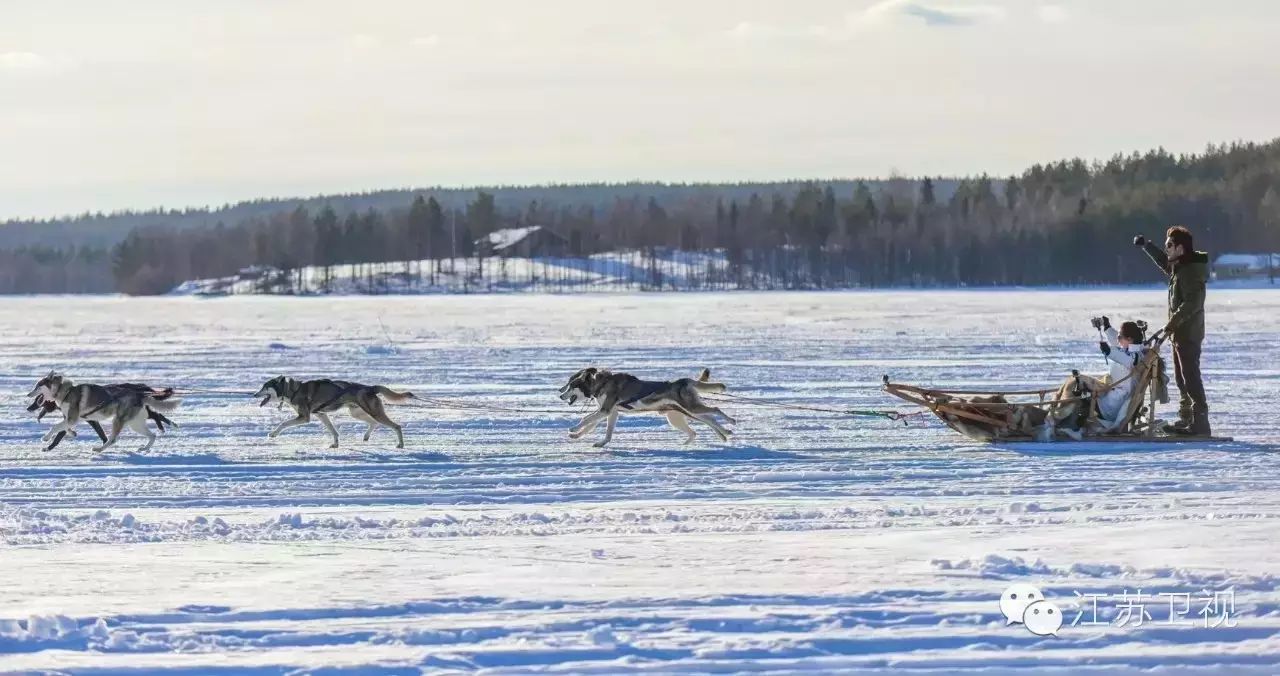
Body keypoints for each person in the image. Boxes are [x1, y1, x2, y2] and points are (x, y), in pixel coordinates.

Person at [1133, 226, 1210, 436]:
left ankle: (1200, 422)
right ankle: (1187, 419)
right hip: (1180, 332)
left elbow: (1193, 303)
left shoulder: (1190, 272)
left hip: (1189, 333)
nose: (1166, 249)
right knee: (1181, 377)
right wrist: (1147, 246)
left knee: (1190, 376)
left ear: (1180, 249)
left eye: (1169, 245)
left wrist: (1172, 323)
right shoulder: (1180, 267)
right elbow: (1163, 262)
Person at [1091, 316, 1148, 428]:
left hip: (1114, 403)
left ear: (1130, 339)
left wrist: (1108, 351)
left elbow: (1122, 357)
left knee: (1085, 394)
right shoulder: (1132, 348)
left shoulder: (1134, 357)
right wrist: (1107, 327)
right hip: (1112, 395)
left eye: (1120, 336)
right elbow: (1116, 342)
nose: (1118, 338)